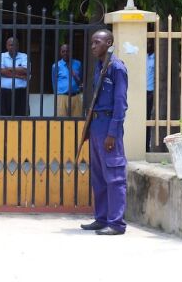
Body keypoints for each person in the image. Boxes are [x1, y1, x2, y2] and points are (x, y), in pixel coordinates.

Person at [80, 29, 128, 236]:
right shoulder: (100, 66)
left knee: (114, 176)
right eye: (92, 43)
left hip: (109, 126)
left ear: (109, 43)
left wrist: (112, 133)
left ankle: (116, 223)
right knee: (98, 176)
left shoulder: (117, 68)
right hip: (97, 126)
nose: (93, 46)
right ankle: (101, 218)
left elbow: (120, 103)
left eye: (97, 42)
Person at [0, 37, 29, 116]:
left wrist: (9, 68)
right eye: (11, 45)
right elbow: (0, 71)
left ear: (18, 46)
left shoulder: (24, 56)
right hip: (4, 94)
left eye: (15, 45)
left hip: (20, 94)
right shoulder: (1, 57)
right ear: (6, 46)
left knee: (22, 120)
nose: (13, 47)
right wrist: (19, 76)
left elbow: (26, 70)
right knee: (3, 120)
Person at [52, 44, 83, 117]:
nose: (65, 53)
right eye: (63, 51)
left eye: (67, 51)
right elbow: (54, 82)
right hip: (62, 97)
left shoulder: (78, 64)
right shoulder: (56, 66)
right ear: (60, 53)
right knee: (62, 122)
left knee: (77, 122)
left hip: (76, 96)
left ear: (71, 52)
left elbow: (81, 80)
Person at [146, 40, 155, 151]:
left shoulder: (155, 58)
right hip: (140, 92)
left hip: (150, 92)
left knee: (147, 119)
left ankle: (147, 146)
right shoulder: (142, 56)